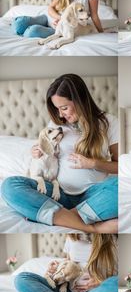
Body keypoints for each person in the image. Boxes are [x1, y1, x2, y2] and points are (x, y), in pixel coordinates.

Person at [1, 74, 118, 233]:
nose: (61, 115)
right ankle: (89, 226)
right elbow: (45, 146)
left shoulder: (108, 122)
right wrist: (36, 151)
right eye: (57, 109)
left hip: (94, 194)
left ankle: (63, 216)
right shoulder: (57, 125)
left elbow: (120, 167)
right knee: (9, 186)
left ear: (79, 100)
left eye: (64, 108)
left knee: (120, 186)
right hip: (58, 193)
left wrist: (93, 163)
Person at [14, 234, 118, 292]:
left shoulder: (112, 241)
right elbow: (68, 262)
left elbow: (117, 278)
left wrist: (101, 283)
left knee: (116, 287)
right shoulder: (71, 238)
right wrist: (55, 268)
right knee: (21, 279)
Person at [12, 0, 103, 39]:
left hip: (61, 27)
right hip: (48, 18)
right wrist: (60, 18)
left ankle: (27, 31)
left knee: (32, 32)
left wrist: (102, 33)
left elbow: (94, 15)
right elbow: (50, 8)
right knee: (19, 23)